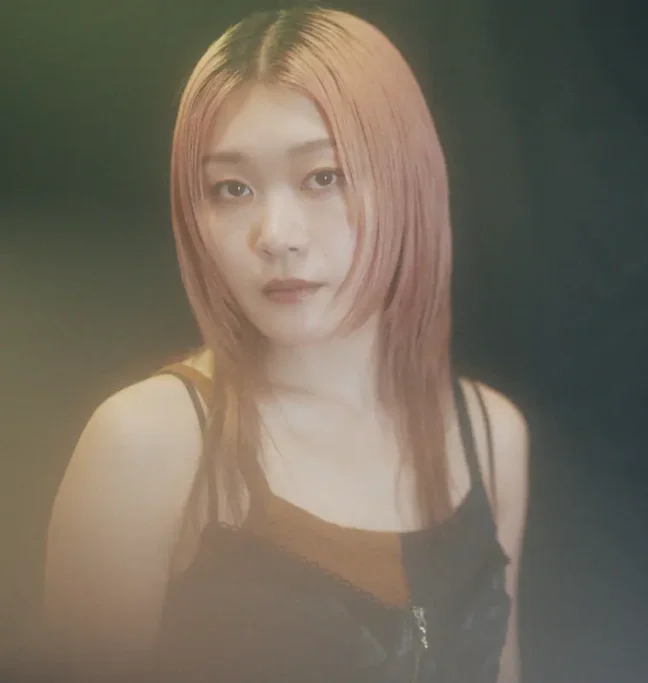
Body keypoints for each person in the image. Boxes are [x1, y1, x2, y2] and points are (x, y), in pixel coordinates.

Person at [37, 5, 529, 682]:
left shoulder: (491, 437)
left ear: (408, 180)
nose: (275, 235)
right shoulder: (148, 444)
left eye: (323, 176)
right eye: (231, 188)